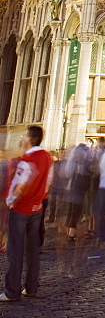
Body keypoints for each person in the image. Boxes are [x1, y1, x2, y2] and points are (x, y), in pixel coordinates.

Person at [1, 125, 52, 302]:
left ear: (30, 138)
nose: (22, 138)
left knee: (15, 250)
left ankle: (12, 291)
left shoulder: (28, 159)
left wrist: (10, 200)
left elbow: (20, 184)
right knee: (33, 249)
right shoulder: (47, 156)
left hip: (22, 207)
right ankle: (31, 287)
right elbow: (48, 181)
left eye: (24, 135)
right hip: (37, 207)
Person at [64, 143, 92, 241]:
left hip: (71, 187)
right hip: (80, 188)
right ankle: (71, 234)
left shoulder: (72, 161)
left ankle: (69, 232)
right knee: (76, 211)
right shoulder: (85, 162)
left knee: (71, 210)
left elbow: (67, 174)